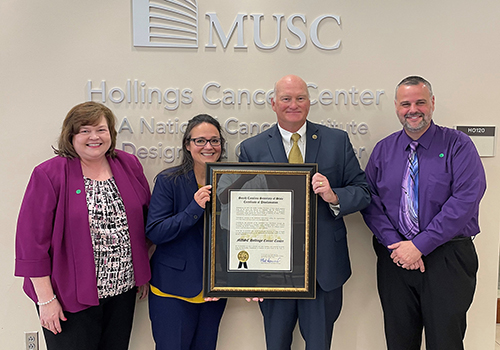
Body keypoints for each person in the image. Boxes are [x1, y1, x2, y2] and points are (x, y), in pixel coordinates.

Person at [239, 74, 371, 350]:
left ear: (309, 102)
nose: (293, 104)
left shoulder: (336, 140)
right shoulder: (252, 148)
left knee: (320, 344)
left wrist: (334, 195)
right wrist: (248, 274)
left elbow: (363, 191)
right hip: (271, 269)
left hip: (323, 267)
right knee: (276, 344)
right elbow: (243, 214)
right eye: (286, 99)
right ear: (273, 103)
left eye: (300, 98)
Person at [361, 76, 486, 350]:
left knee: (445, 341)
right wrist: (399, 246)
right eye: (405, 103)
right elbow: (370, 201)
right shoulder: (384, 150)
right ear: (396, 107)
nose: (413, 109)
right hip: (395, 260)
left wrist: (419, 245)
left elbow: (465, 200)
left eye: (420, 102)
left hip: (447, 259)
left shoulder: (458, 145)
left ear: (432, 103)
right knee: (399, 340)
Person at [14, 102, 151, 350]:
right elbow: (31, 243)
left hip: (122, 292)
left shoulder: (128, 165)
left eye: (101, 129)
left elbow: (144, 220)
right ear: (71, 136)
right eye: (85, 130)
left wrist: (140, 269)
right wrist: (46, 300)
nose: (94, 137)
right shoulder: (50, 173)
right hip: (67, 297)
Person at [146, 114, 227, 350]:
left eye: (214, 140)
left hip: (214, 291)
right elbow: (155, 232)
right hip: (172, 290)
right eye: (200, 140)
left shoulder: (231, 180)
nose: (208, 147)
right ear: (187, 145)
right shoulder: (168, 181)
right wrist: (193, 209)